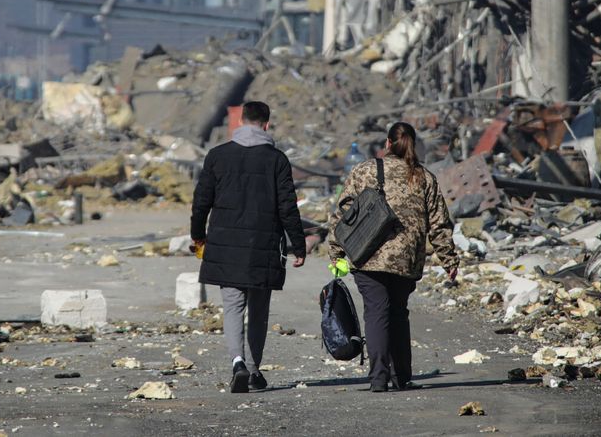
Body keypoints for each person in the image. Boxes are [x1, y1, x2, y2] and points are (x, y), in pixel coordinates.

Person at [329, 122, 457, 392]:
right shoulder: (424, 177)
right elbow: (439, 223)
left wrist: (335, 251)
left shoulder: (365, 170)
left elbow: (343, 214)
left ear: (388, 143)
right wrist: (449, 260)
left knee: (376, 313)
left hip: (368, 255)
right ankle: (402, 377)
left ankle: (378, 378)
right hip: (406, 259)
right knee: (398, 313)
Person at [191, 101, 307, 393]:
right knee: (259, 310)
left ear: (240, 122)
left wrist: (198, 235)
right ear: (266, 125)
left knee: (232, 307)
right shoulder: (277, 160)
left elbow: (201, 201)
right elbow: (288, 208)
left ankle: (237, 362)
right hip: (264, 246)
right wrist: (299, 245)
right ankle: (254, 371)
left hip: (226, 246)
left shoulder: (217, 156)